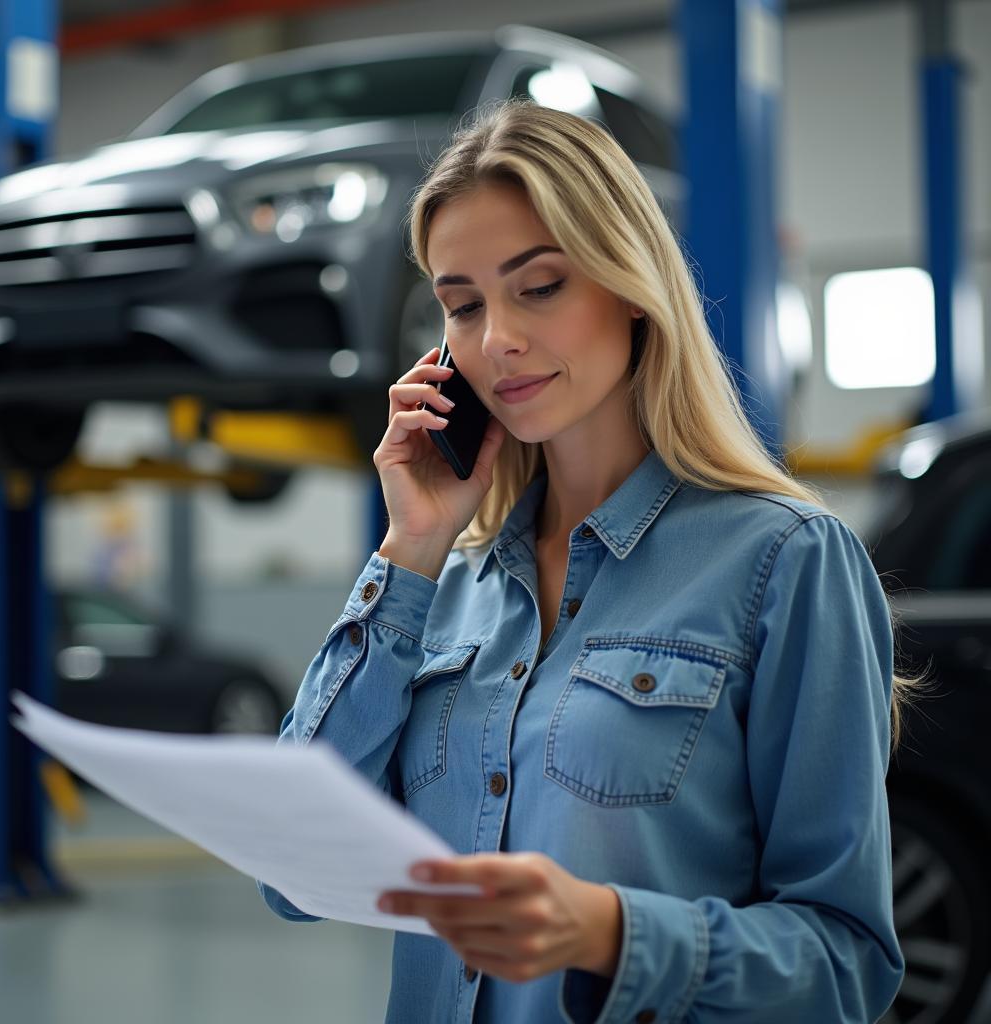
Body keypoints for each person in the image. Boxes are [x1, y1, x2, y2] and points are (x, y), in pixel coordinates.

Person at [259, 98, 914, 1023]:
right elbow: (291, 872)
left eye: (540, 286)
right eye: (463, 305)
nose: (497, 342)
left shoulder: (785, 564)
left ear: (629, 285)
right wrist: (409, 548)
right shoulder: (442, 592)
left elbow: (844, 964)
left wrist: (611, 934)